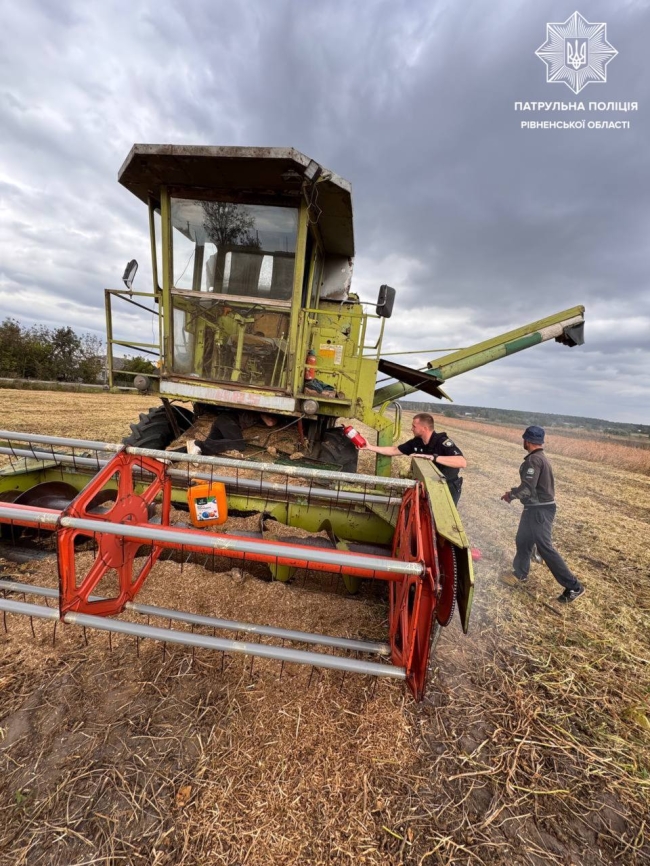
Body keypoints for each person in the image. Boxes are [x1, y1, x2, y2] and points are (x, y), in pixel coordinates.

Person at [501, 425, 585, 604]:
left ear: (527, 441)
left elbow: (527, 488)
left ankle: (574, 586)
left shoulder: (534, 461)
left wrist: (511, 495)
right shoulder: (539, 458)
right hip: (533, 509)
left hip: (540, 511)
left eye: (524, 439)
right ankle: (520, 574)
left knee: (545, 548)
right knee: (523, 541)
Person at [361, 413, 467, 504]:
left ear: (424, 428)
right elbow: (394, 450)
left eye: (414, 426)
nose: (411, 428)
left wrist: (433, 458)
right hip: (429, 487)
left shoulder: (442, 442)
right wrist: (370, 447)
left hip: (448, 487)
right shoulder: (416, 442)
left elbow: (462, 462)